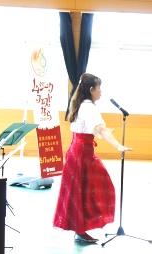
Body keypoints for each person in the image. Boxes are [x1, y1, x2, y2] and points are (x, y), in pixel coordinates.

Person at [53, 73, 130, 244]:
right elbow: (100, 130)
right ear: (91, 89)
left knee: (82, 191)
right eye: (99, 88)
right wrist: (118, 145)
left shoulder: (81, 105)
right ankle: (80, 229)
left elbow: (91, 130)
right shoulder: (88, 107)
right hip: (81, 153)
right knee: (96, 188)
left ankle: (80, 229)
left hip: (77, 151)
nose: (100, 91)